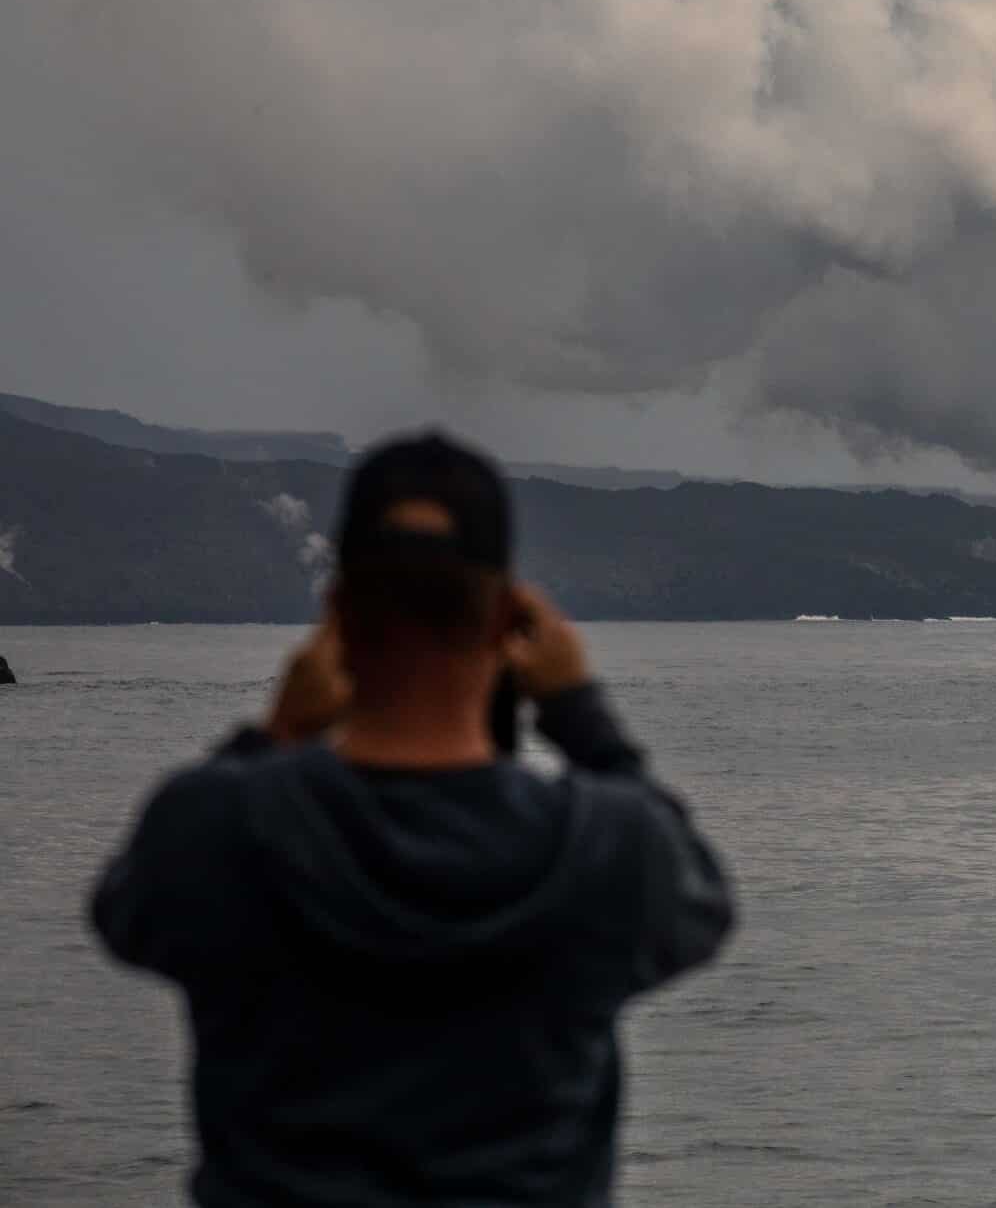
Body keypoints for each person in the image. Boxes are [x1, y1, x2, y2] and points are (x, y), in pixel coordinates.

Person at [88, 434, 735, 1207]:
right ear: (508, 621)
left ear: (337, 614)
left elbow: (126, 910)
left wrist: (275, 734)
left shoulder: (220, 825)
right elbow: (701, 896)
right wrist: (581, 716)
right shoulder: (606, 846)